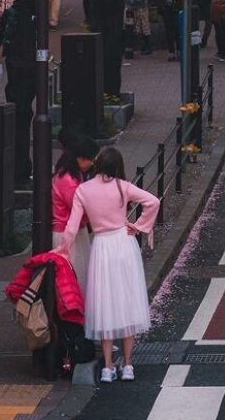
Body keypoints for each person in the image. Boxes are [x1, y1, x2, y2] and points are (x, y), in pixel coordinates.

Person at [59, 147, 160, 383]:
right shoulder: (122, 187)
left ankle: (107, 367)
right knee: (126, 302)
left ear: (97, 165)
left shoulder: (83, 190)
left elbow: (72, 226)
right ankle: (127, 365)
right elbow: (152, 201)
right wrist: (140, 226)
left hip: (102, 247)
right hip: (124, 245)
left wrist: (62, 250)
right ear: (118, 166)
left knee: (105, 303)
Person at [0, 0, 36, 186]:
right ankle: (24, 166)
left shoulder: (11, 13)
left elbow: (1, 32)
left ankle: (19, 167)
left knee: (16, 97)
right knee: (25, 108)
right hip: (31, 62)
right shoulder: (34, 14)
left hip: (15, 61)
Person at [51, 133, 99, 289]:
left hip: (75, 232)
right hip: (69, 235)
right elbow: (80, 209)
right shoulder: (69, 181)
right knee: (76, 282)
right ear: (80, 158)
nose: (92, 163)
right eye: (90, 159)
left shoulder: (70, 174)